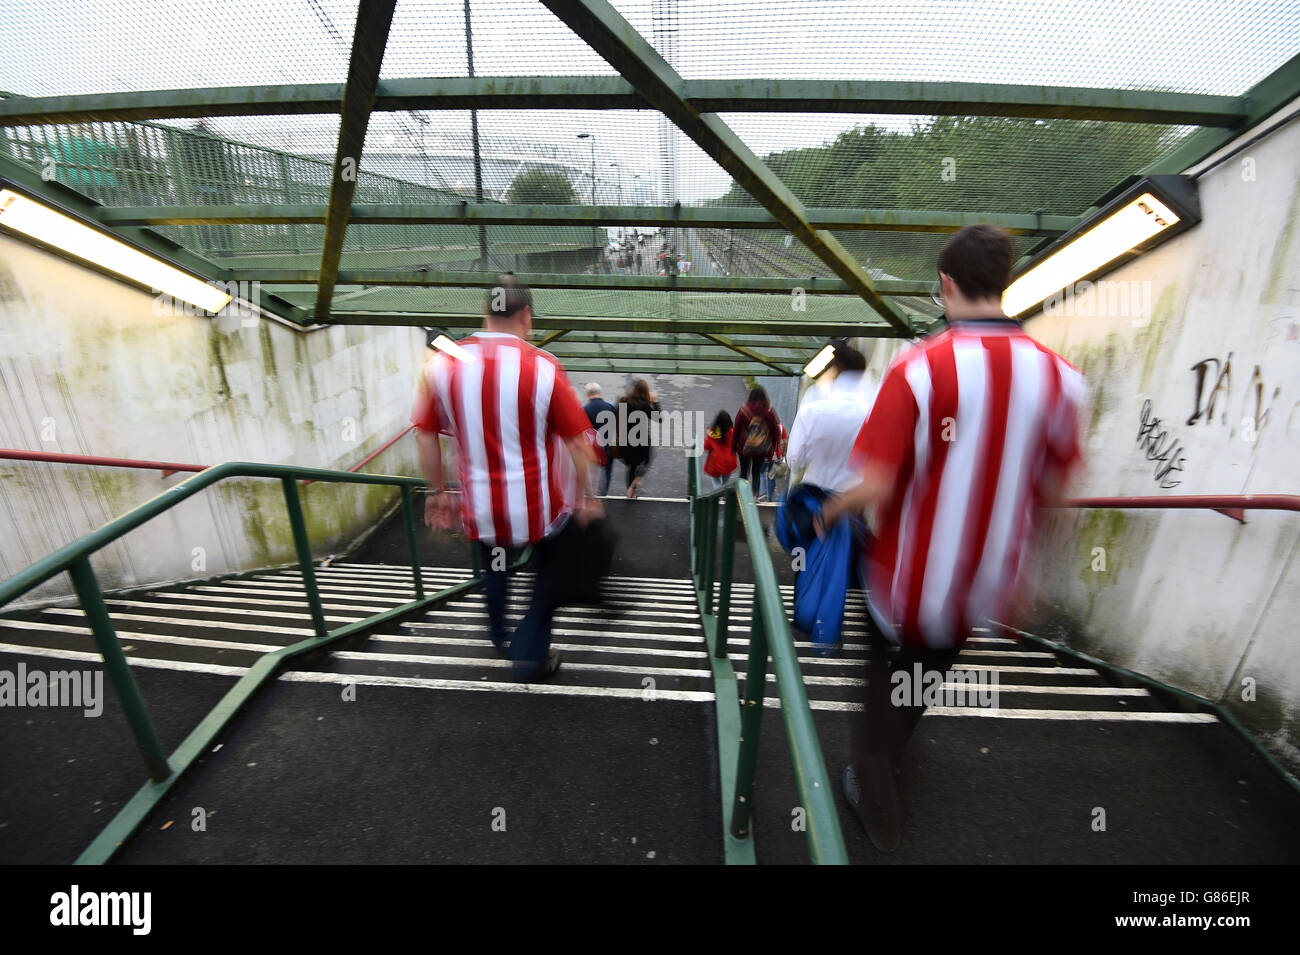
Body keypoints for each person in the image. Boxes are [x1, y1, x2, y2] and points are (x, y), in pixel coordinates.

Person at [819, 224, 1086, 851]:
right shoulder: (1061, 380)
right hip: (983, 587)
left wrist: (830, 511)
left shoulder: (920, 370)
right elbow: (1054, 493)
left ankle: (876, 797)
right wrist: (1024, 577)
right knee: (922, 677)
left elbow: (878, 485)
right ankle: (896, 755)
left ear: (945, 285)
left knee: (884, 685)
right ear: (1005, 281)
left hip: (907, 581)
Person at [412, 274, 603, 682]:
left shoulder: (444, 363)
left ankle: (500, 638)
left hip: (481, 511)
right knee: (547, 579)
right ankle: (530, 655)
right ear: (527, 317)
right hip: (539, 511)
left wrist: (437, 493)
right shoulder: (545, 368)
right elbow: (576, 445)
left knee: (494, 570)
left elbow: (425, 433)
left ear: (484, 314)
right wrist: (587, 497)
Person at [785, 341, 872, 495]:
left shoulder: (811, 410)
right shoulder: (871, 415)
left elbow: (795, 461)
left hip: (815, 498)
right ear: (862, 374)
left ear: (834, 370)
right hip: (851, 502)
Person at [732, 386, 780, 497]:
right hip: (762, 449)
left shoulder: (744, 410)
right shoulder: (768, 412)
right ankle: (755, 496)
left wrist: (734, 446)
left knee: (744, 472)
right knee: (756, 472)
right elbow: (775, 431)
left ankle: (741, 496)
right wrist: (773, 448)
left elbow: (737, 429)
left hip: (744, 447)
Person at [619, 378, 660, 498]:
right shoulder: (645, 405)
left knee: (631, 466)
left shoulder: (623, 401)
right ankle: (636, 481)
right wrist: (655, 402)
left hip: (626, 440)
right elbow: (659, 419)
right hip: (642, 440)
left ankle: (630, 492)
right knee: (647, 461)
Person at [583, 383, 618, 496]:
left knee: (591, 472)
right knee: (607, 471)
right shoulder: (611, 407)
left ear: (588, 394)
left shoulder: (584, 409)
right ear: (600, 392)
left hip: (592, 448)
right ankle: (603, 495)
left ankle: (591, 495)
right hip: (609, 446)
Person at [702, 410, 738, 490]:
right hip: (729, 461)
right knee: (725, 482)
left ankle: (719, 494)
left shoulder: (712, 433)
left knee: (715, 480)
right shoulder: (732, 432)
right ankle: (724, 494)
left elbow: (706, 446)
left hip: (715, 462)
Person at [760, 421, 788, 502]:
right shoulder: (781, 427)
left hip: (763, 455)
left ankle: (763, 493)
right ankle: (769, 499)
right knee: (771, 476)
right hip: (776, 456)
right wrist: (784, 453)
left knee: (761, 473)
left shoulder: (762, 426)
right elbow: (785, 442)